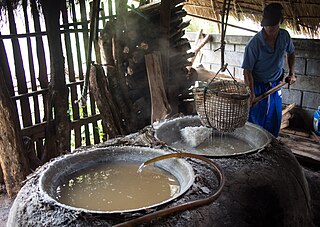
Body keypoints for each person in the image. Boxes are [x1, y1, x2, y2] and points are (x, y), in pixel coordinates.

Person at [242, 3, 296, 137]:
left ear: (280, 23)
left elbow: (291, 53)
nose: (269, 29)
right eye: (266, 26)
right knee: (255, 117)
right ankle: (254, 146)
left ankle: (271, 144)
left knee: (275, 116)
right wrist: (251, 93)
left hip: (276, 84)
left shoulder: (285, 37)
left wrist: (291, 73)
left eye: (273, 26)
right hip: (257, 85)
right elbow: (247, 71)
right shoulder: (254, 44)